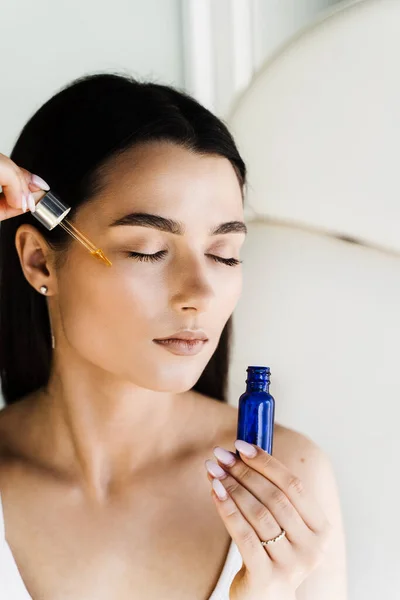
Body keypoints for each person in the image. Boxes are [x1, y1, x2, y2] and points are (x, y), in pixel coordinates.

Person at [0, 73, 346, 599]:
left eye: (225, 255)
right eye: (147, 250)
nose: (200, 293)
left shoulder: (290, 479)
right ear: (39, 260)